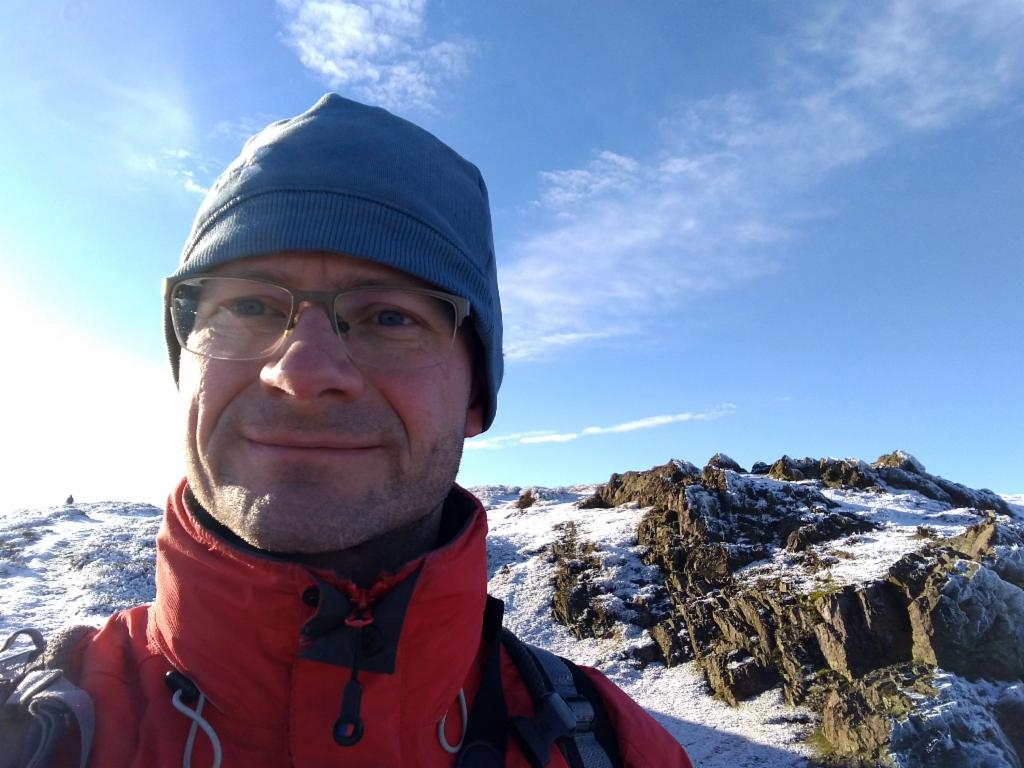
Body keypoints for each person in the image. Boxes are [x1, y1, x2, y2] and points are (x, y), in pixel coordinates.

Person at [21, 94, 693, 767]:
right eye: (248, 305)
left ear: (474, 395)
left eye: (390, 317)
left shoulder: (624, 751)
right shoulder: (29, 733)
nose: (303, 372)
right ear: (186, 361)